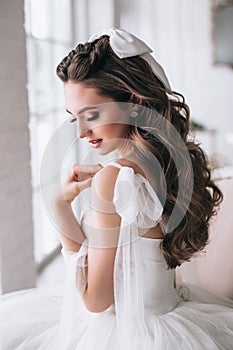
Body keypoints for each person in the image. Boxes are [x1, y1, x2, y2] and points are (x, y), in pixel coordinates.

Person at [0, 28, 233, 350]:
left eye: (91, 115)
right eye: (74, 119)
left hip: (128, 333)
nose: (82, 132)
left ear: (134, 103)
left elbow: (95, 301)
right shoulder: (167, 162)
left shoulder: (115, 177)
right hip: (172, 318)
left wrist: (57, 205)